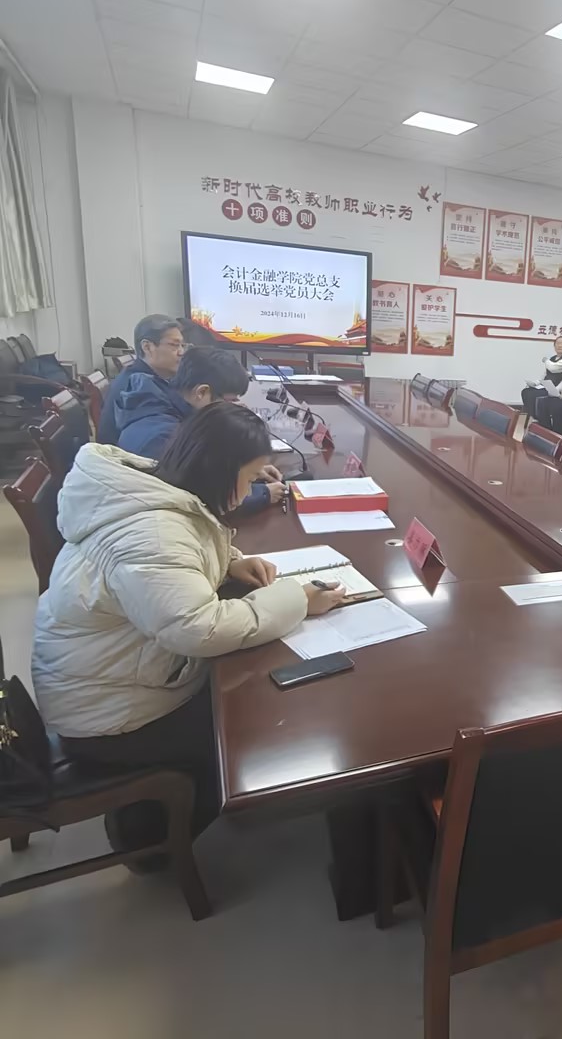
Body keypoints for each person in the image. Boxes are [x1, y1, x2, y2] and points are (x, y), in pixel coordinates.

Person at [31, 402, 346, 859]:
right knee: (262, 722)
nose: (253, 488)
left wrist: (231, 563)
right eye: (250, 477)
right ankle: (148, 840)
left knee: (252, 686)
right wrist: (298, 599)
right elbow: (200, 630)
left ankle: (156, 815)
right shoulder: (153, 532)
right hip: (107, 716)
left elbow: (179, 558)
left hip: (103, 678)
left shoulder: (155, 490)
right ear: (220, 471)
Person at [114, 346, 288, 514]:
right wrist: (262, 493)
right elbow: (197, 498)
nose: (233, 409)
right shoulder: (161, 436)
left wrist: (247, 470)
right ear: (202, 392)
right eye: (230, 402)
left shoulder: (174, 409)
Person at [98, 315, 185, 445]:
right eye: (174, 345)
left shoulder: (146, 377)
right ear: (147, 347)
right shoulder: (135, 388)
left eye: (182, 345)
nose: (181, 352)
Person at [521, 335, 562, 419]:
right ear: (554, 346)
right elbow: (545, 374)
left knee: (535, 395)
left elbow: (553, 368)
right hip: (546, 386)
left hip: (557, 389)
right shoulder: (552, 359)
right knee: (526, 391)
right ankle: (534, 416)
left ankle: (541, 419)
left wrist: (545, 360)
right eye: (557, 343)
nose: (560, 346)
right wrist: (535, 383)